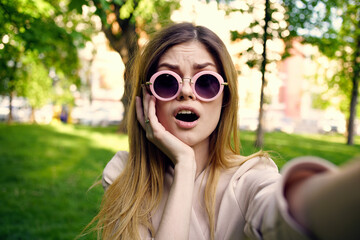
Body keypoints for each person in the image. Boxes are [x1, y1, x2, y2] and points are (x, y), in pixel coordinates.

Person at [90, 22, 360, 240]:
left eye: (205, 81)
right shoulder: (124, 173)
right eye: (166, 81)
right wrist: (185, 165)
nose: (186, 91)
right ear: (147, 99)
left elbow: (281, 217)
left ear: (225, 99)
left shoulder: (251, 177)